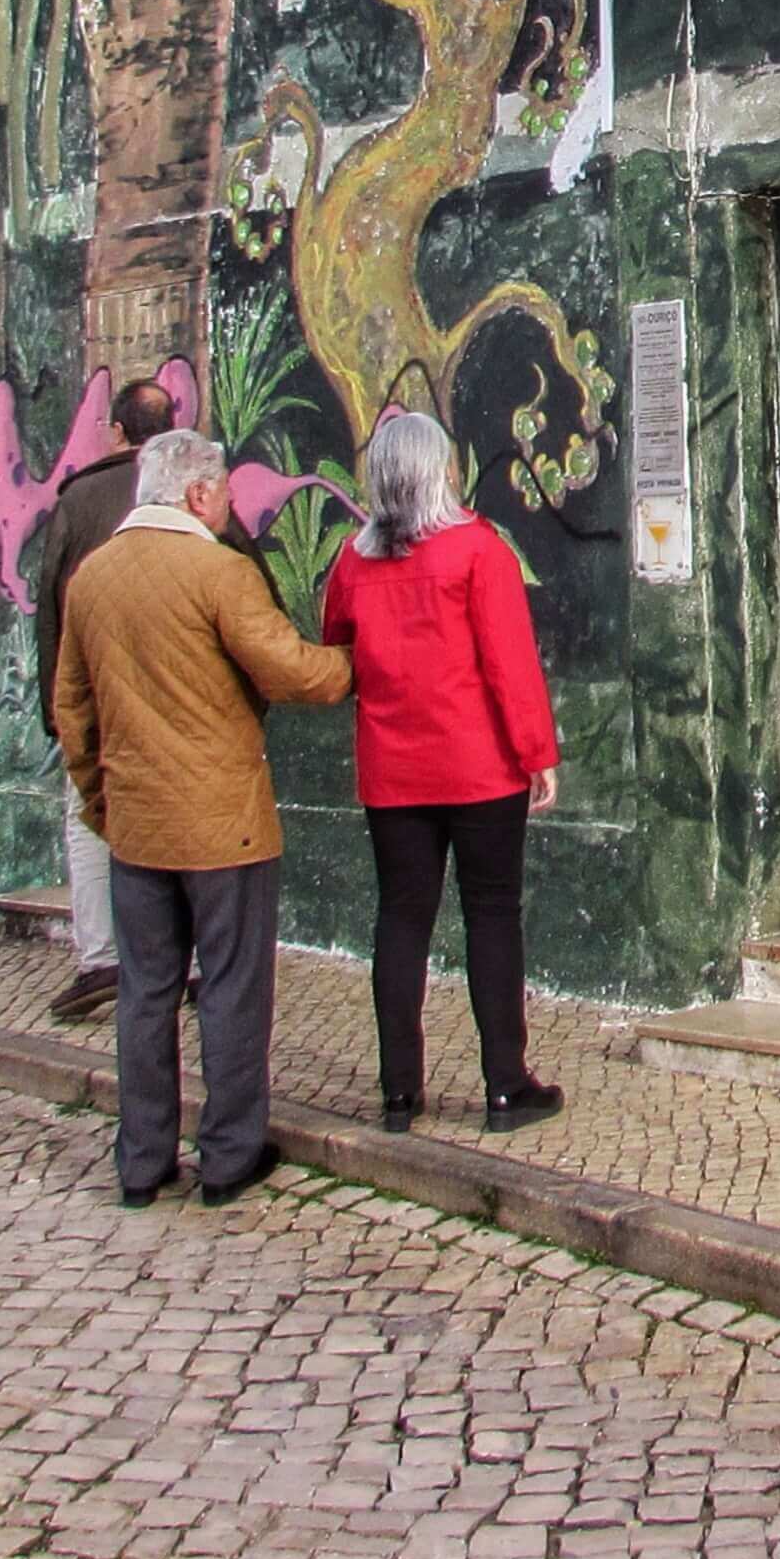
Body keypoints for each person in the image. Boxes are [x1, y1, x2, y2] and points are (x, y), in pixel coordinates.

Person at [51, 425, 354, 1207]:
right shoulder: (218, 572)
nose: (227, 504)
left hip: (138, 825)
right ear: (195, 492)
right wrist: (350, 663)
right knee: (230, 988)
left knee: (145, 992)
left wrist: (100, 802)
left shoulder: (93, 577)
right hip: (225, 823)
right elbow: (288, 669)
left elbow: (72, 710)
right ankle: (227, 1154)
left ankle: (141, 1159)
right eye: (222, 491)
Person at [323, 410, 563, 1132]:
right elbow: (508, 663)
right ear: (442, 471)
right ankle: (504, 1083)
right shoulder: (478, 550)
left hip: (393, 770)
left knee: (400, 919)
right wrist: (537, 754)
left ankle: (400, 1091)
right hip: (479, 766)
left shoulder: (350, 561)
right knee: (491, 916)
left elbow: (335, 643)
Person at [23, 377, 182, 1020]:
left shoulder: (80, 499)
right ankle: (185, 960)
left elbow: (50, 611)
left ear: (116, 432)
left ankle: (100, 960)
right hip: (177, 691)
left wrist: (53, 709)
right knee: (178, 820)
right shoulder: (193, 490)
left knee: (89, 822)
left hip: (94, 692)